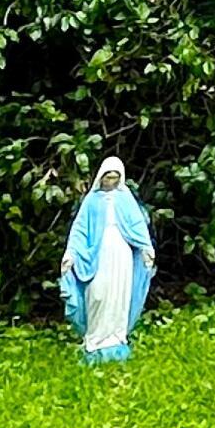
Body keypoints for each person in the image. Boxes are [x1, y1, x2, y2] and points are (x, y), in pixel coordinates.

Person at [60, 156, 155, 364]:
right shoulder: (91, 201)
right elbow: (79, 229)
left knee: (119, 294)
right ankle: (95, 339)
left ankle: (116, 338)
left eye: (114, 178)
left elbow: (137, 225)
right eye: (107, 177)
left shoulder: (125, 198)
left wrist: (146, 247)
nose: (110, 181)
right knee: (98, 293)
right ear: (101, 177)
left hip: (121, 253)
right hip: (99, 253)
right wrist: (71, 253)